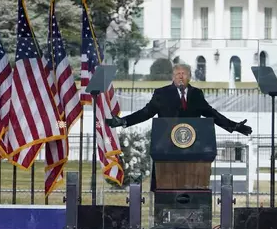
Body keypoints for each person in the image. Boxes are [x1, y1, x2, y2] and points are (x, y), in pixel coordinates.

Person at [105, 64, 253, 190]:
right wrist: (124, 121)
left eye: (184, 74)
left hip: (193, 151)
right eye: (177, 74)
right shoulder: (161, 93)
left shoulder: (196, 94)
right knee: (165, 189)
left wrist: (234, 126)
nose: (180, 76)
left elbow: (211, 113)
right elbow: (145, 113)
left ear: (189, 77)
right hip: (166, 150)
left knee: (191, 187)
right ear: (172, 77)